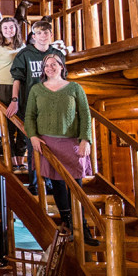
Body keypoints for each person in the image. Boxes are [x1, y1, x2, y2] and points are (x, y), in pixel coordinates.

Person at [25, 53, 98, 245]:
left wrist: (85, 140)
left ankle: (83, 227)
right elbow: (29, 116)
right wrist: (33, 136)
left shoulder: (75, 88)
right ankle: (68, 222)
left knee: (76, 186)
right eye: (46, 65)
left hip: (72, 143)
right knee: (57, 185)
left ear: (62, 66)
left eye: (53, 64)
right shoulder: (36, 90)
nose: (50, 68)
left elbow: (84, 115)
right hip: (47, 144)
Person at [7, 20, 65, 195]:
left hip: (53, 108)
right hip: (30, 108)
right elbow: (17, 79)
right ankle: (36, 184)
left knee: (54, 146)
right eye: (39, 33)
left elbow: (63, 79)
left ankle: (53, 184)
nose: (43, 35)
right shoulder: (25, 54)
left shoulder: (57, 54)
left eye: (46, 32)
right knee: (33, 147)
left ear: (51, 35)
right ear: (34, 36)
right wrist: (14, 99)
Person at [0, 17, 26, 169]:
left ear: (16, 29)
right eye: (5, 28)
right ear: (1, 30)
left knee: (23, 125)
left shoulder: (23, 46)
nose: (9, 30)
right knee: (8, 126)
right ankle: (12, 159)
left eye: (11, 27)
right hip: (2, 87)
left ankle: (21, 159)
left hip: (20, 88)